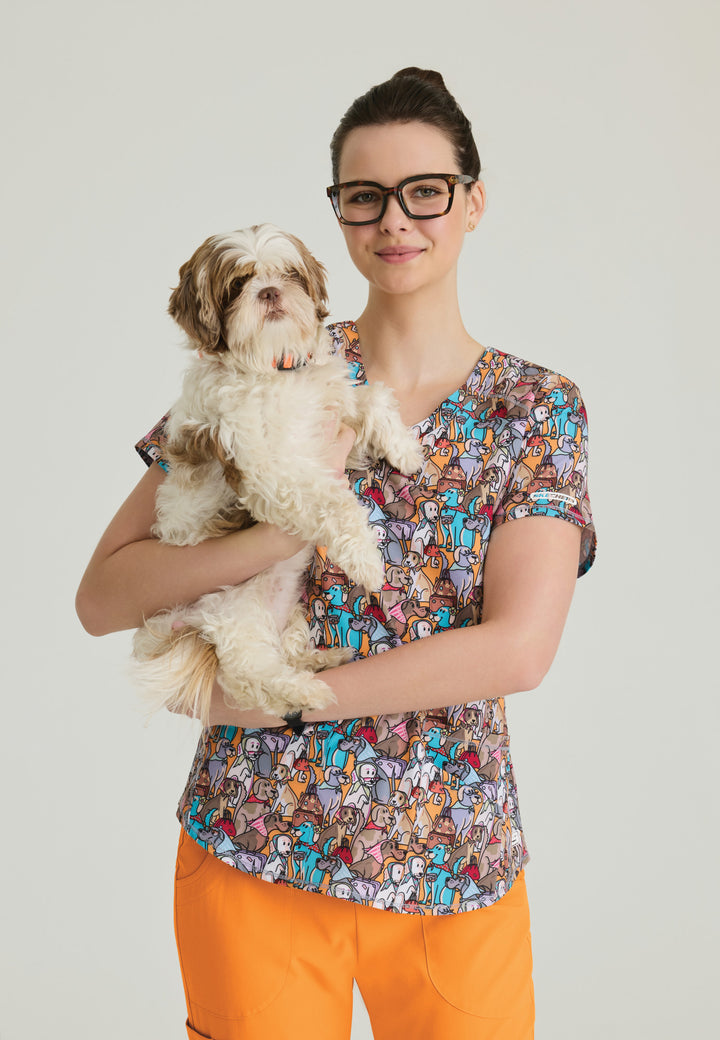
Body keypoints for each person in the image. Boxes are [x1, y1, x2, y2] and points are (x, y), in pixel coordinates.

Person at [76, 67, 596, 1040]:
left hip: (451, 856)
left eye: (425, 190)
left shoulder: (534, 407)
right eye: (365, 195)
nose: (395, 219)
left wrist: (288, 700)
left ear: (473, 200)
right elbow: (103, 596)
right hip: (255, 841)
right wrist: (275, 537)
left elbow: (519, 648)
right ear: (340, 215)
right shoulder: (261, 357)